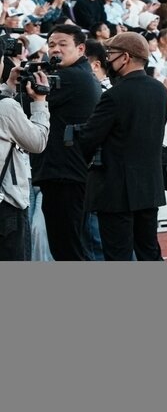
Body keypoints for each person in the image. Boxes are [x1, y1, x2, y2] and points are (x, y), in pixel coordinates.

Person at [74, 32, 167, 261]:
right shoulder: (160, 90)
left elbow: (88, 138)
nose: (107, 59)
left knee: (118, 256)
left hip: (115, 190)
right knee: (149, 253)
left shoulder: (115, 95)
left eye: (110, 54)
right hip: (149, 187)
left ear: (125, 57)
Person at [32, 24, 102, 260]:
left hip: (64, 174)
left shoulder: (70, 77)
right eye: (51, 44)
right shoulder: (82, 75)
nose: (55, 49)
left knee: (67, 249)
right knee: (72, 246)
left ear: (81, 49)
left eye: (63, 44)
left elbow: (25, 102)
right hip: (72, 172)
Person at [0, 57, 51, 261]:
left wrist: (9, 87)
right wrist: (40, 102)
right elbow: (37, 142)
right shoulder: (7, 107)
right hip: (6, 204)